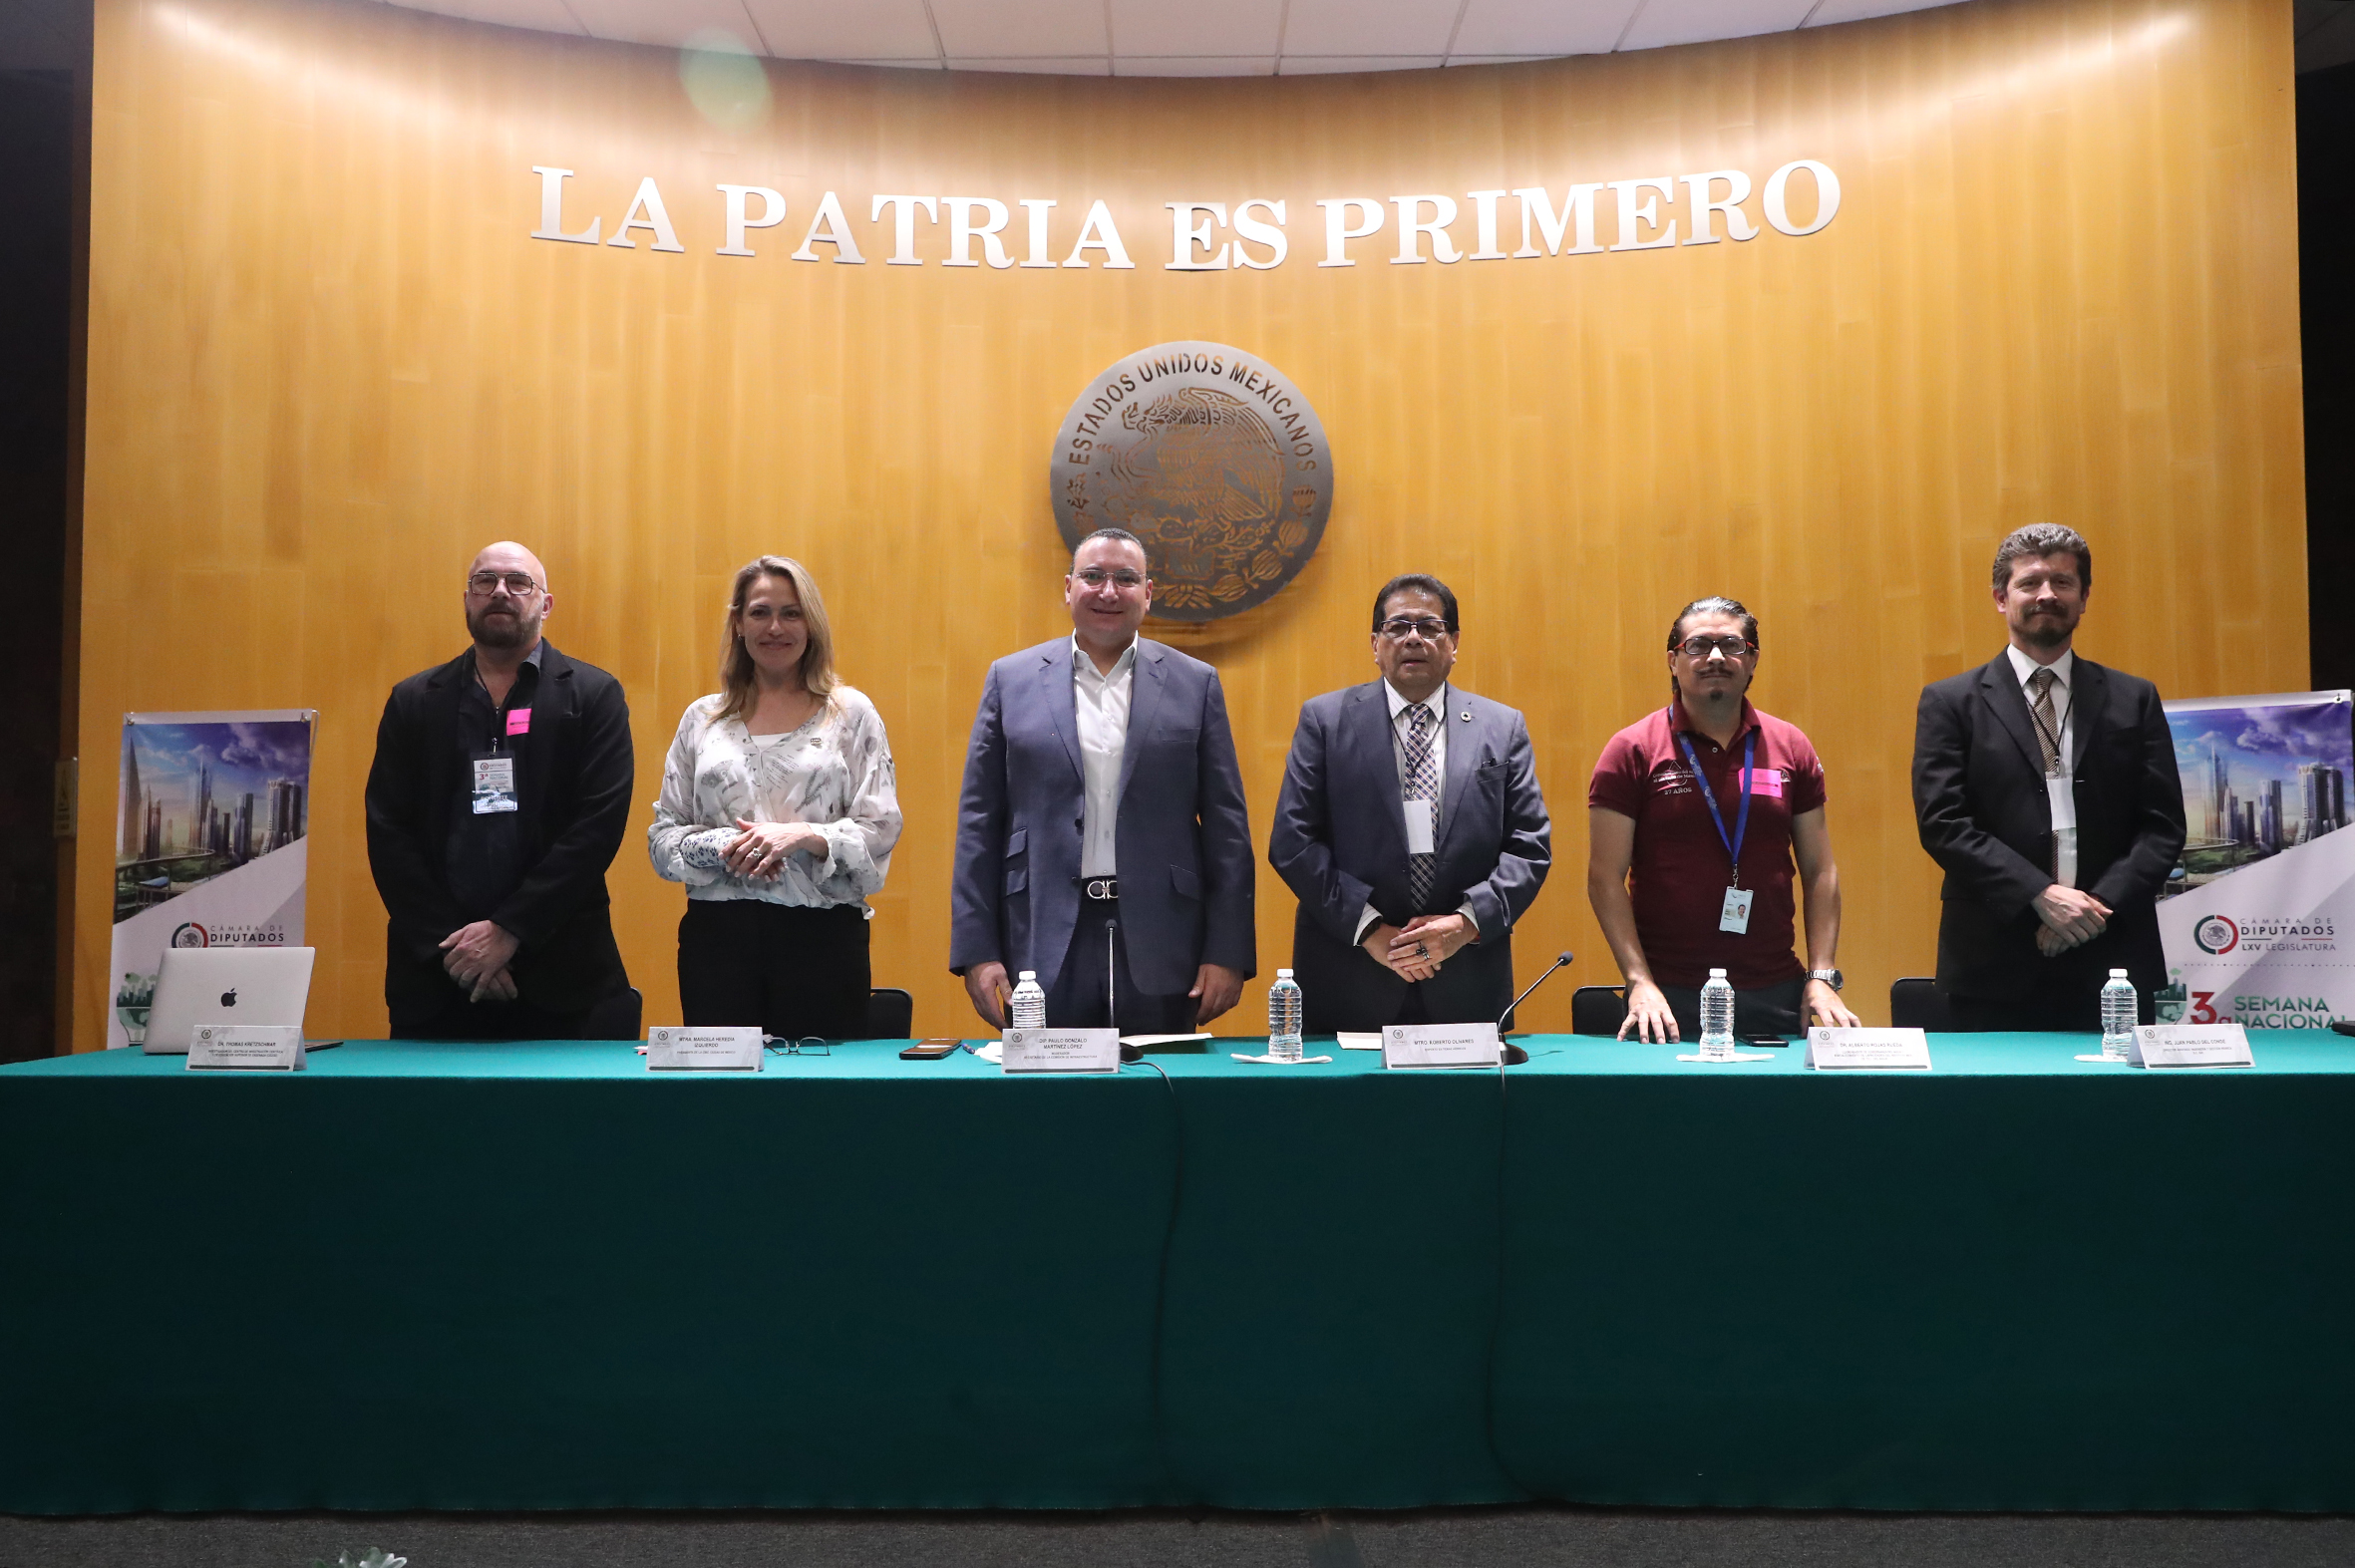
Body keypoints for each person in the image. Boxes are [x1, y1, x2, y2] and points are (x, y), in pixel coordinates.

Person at [950, 527, 1254, 1031]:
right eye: (1093, 576)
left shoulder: (1195, 683)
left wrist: (1227, 951)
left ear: (1148, 593)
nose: (1108, 591)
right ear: (1068, 588)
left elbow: (1227, 830)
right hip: (1040, 936)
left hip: (1163, 938)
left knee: (1161, 1080)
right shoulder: (1011, 679)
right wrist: (976, 950)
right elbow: (979, 823)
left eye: (1126, 579)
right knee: (1049, 1082)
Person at [1912, 524, 2186, 1030]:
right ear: (2001, 598)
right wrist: (2040, 895)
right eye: (2030, 582)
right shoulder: (1950, 702)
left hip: (2113, 955)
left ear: (2084, 597)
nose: (2047, 594)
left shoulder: (2134, 698)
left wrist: (2093, 907)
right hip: (1993, 961)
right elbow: (1943, 823)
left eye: (2062, 582)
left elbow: (2163, 826)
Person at [365, 541, 636, 1039]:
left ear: (545, 604)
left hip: (562, 978)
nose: (500, 592)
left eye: (518, 582)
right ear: (467, 599)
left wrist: (510, 931)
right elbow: (388, 832)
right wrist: (458, 949)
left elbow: (596, 828)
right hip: (438, 975)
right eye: (485, 581)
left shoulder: (594, 696)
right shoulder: (413, 700)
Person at [1267, 574, 1552, 1032]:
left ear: (1454, 643)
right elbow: (1293, 843)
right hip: (1350, 973)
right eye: (1398, 627)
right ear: (1375, 644)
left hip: (1465, 977)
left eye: (1430, 627)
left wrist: (1463, 925)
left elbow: (1529, 848)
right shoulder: (1325, 721)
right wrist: (1370, 930)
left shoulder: (1501, 727)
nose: (1413, 638)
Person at [649, 556, 901, 1041]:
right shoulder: (702, 719)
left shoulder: (851, 714)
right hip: (717, 941)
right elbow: (663, 839)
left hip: (822, 942)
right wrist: (724, 846)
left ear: (811, 624)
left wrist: (802, 835)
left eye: (791, 613)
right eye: (760, 612)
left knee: (819, 1086)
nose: (775, 628)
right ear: (738, 624)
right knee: (723, 1087)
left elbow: (881, 828)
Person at [1588, 596, 1861, 1043]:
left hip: (1777, 990)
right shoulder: (1632, 749)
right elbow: (1603, 877)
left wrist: (1822, 976)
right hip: (1666, 999)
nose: (1715, 656)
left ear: (1752, 660)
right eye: (1698, 645)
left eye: (1731, 645)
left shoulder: (1790, 745)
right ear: (1673, 660)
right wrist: (1638, 980)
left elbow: (1820, 870)